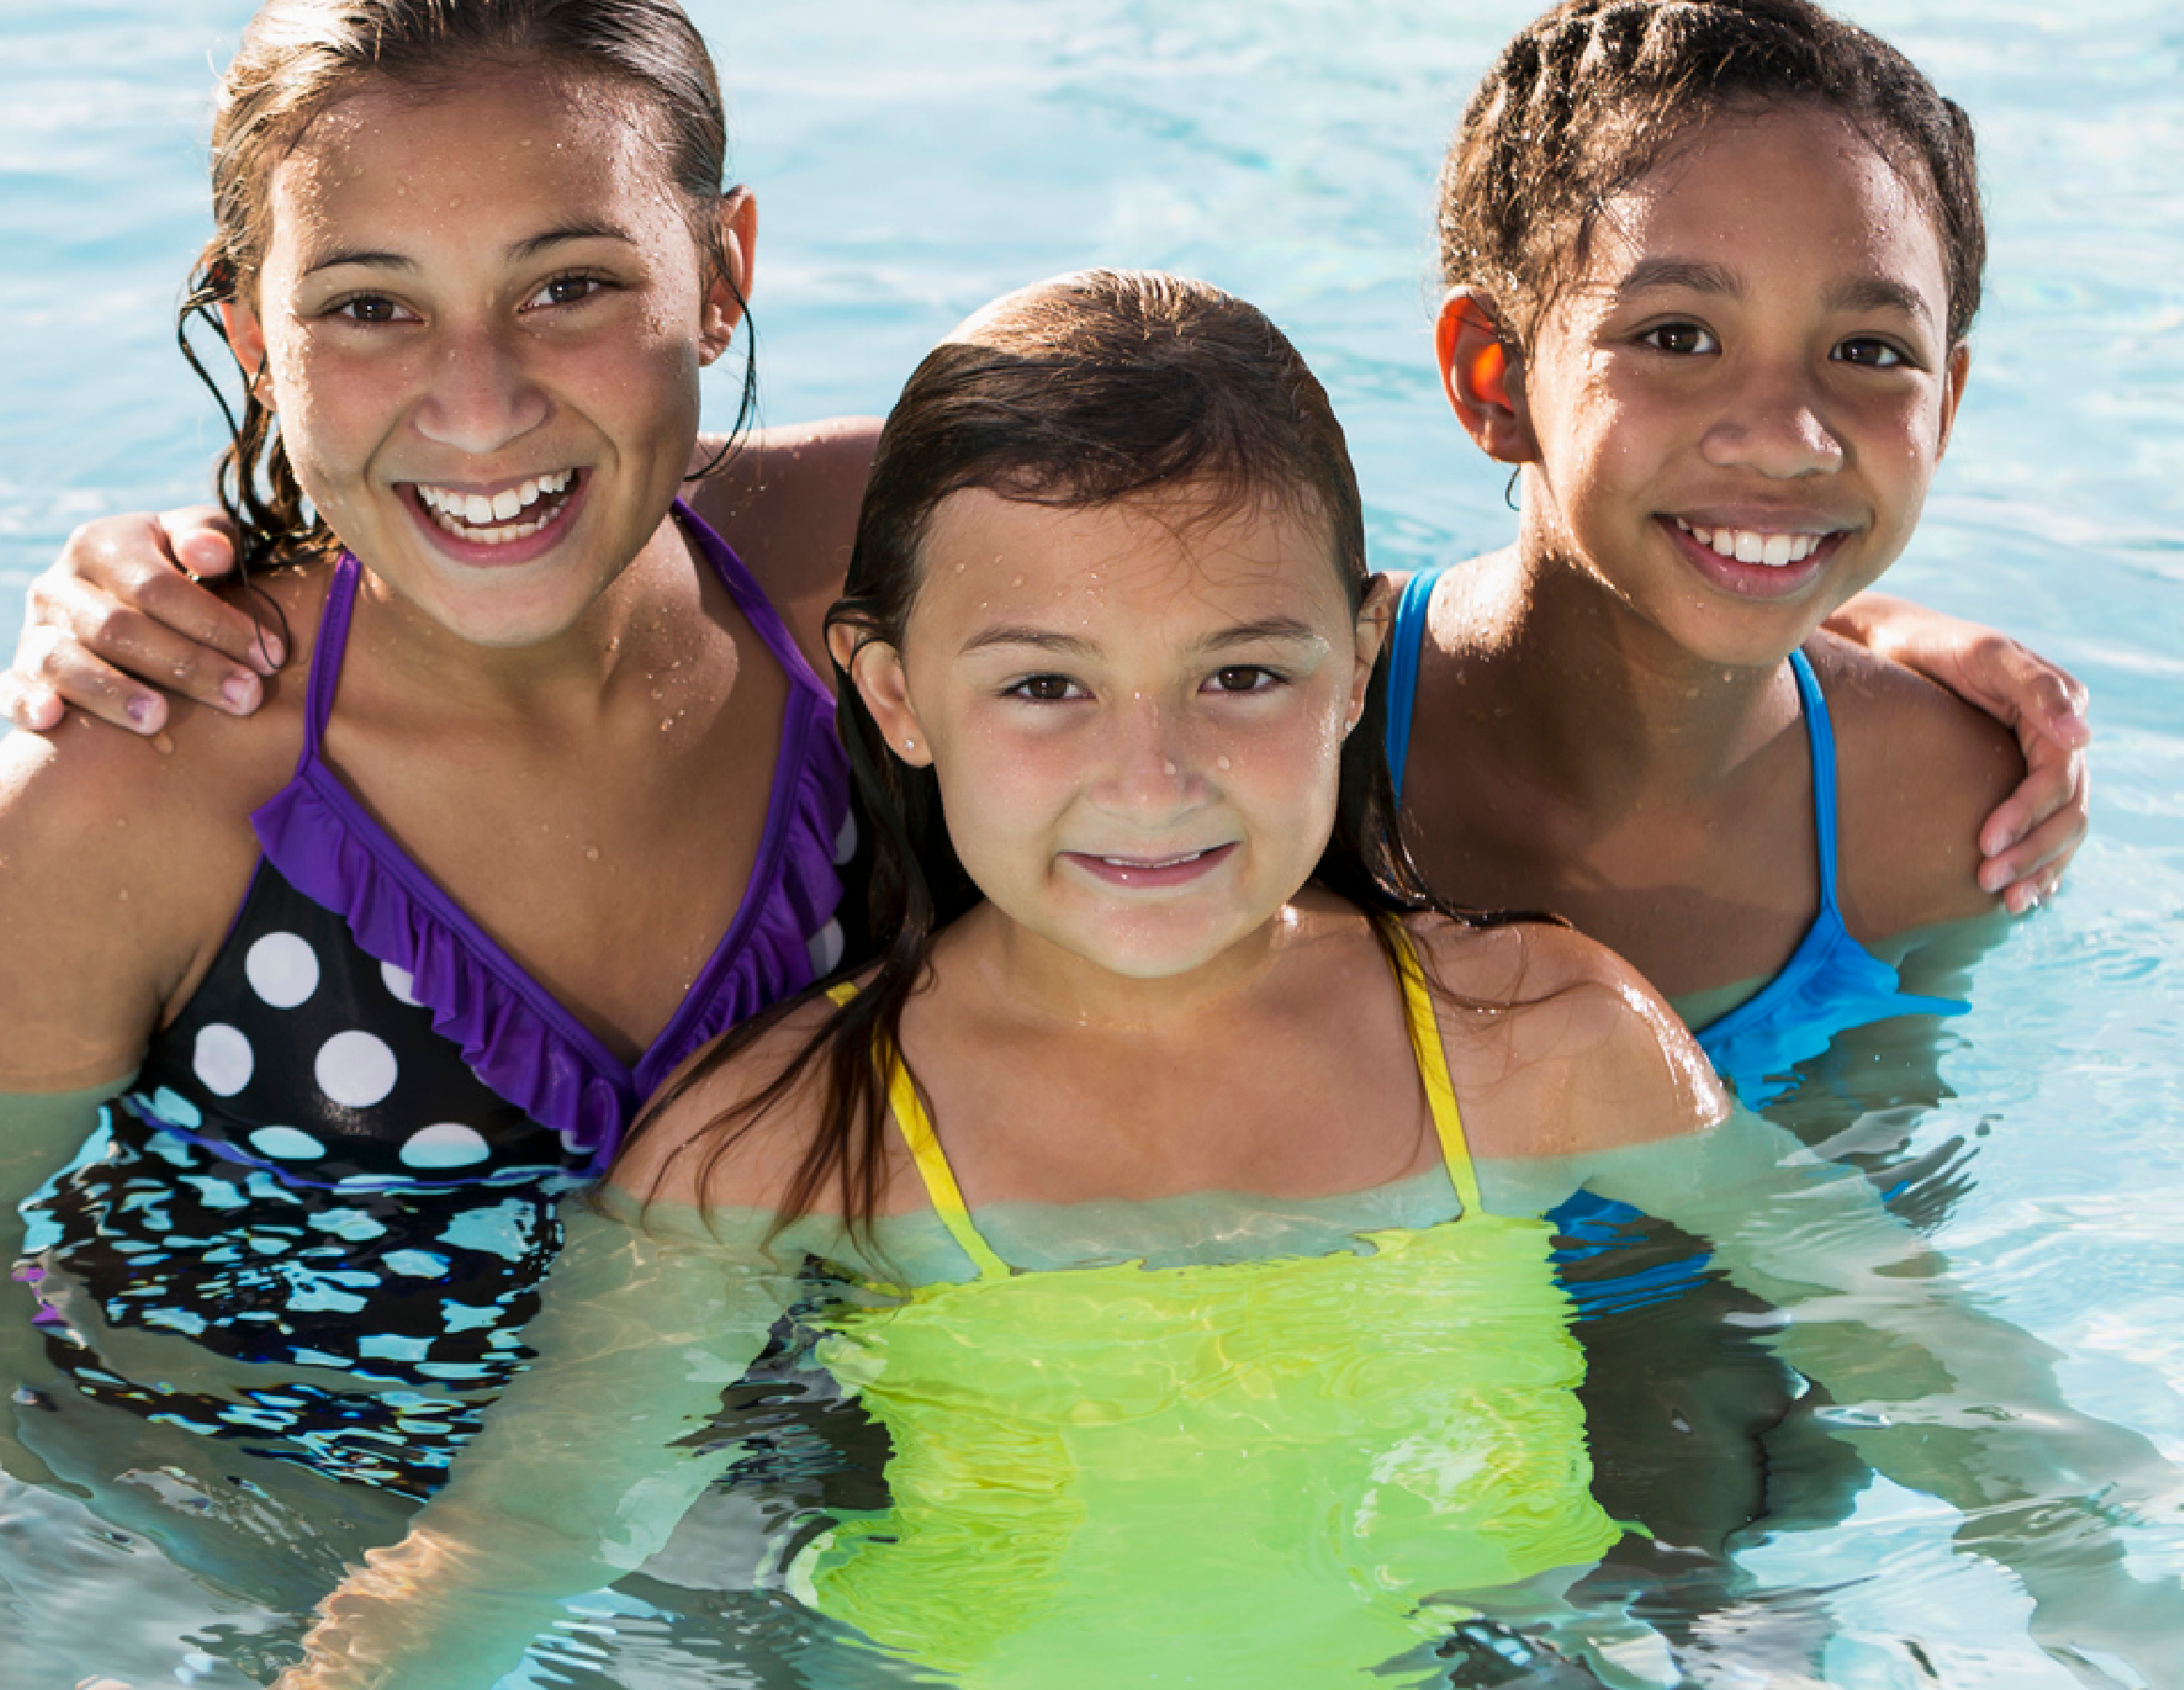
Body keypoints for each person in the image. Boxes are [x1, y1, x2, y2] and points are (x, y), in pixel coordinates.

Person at [271, 273, 2180, 1690]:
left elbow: (1921, 1357)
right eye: (1045, 684)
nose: (1152, 772)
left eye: (1240, 674)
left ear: (1356, 662)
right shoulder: (783, 1148)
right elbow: (520, 1538)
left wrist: (2124, 1610)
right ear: (893, 697)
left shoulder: (1538, 1041)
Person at [0, 0, 875, 1493]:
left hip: (825, 1503)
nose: (478, 404)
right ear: (253, 342)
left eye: (569, 285)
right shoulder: (139, 786)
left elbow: (1265, 616)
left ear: (721, 274)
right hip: (268, 1544)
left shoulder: (889, 569)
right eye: (367, 305)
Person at [1391, 0, 2043, 1110]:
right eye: (1678, 336)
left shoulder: (1950, 815)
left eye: (1868, 351)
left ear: (1943, 408)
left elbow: (1883, 1174)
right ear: (1493, 376)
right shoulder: (1292, 728)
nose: (1788, 440)